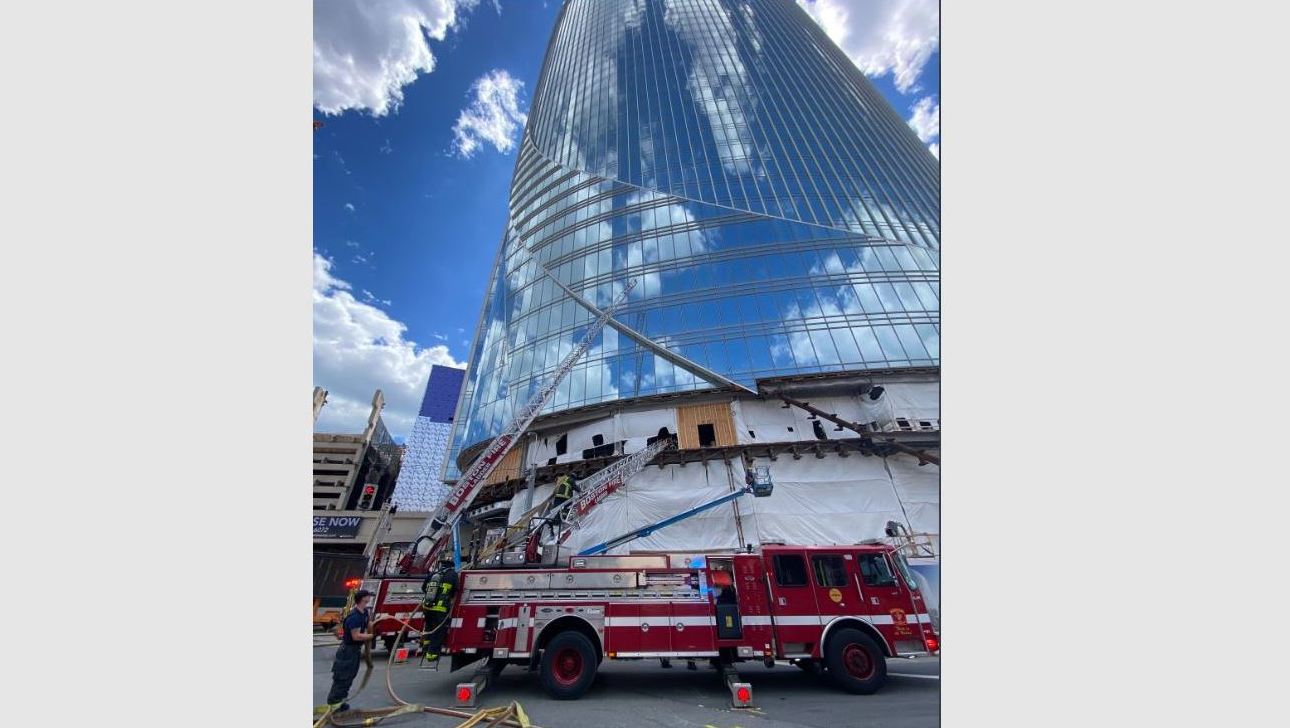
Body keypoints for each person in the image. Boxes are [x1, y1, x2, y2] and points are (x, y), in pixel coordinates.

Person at [326, 589, 375, 711]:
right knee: (342, 678)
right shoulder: (355, 616)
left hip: (354, 651)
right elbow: (356, 636)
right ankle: (334, 706)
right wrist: (371, 636)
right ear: (363, 599)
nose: (370, 599)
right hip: (347, 651)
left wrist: (376, 624)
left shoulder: (364, 612)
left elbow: (368, 622)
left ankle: (340, 703)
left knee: (349, 677)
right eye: (368, 597)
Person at [420, 558, 459, 661]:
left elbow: (423, 588)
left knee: (428, 628)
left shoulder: (433, 574)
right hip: (440, 608)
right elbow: (456, 589)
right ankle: (432, 655)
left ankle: (425, 649)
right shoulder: (453, 575)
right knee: (438, 631)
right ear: (452, 566)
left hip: (427, 607)